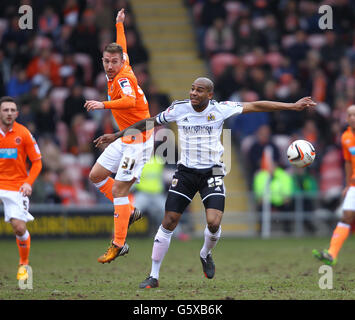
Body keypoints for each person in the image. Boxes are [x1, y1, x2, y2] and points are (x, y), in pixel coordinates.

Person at [94, 77, 316, 288]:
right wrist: (117, 135)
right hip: (185, 173)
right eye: (192, 88)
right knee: (169, 220)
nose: (193, 93)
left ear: (210, 94)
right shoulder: (179, 108)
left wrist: (292, 106)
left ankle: (205, 254)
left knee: (213, 222)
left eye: (199, 90)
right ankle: (153, 275)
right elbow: (149, 122)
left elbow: (256, 106)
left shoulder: (220, 109)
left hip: (212, 172)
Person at [84, 9, 153, 264]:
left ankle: (119, 244)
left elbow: (129, 100)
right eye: (106, 61)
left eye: (114, 62)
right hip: (125, 137)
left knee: (121, 190)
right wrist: (119, 25)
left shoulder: (123, 77)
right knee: (96, 176)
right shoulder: (121, 62)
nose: (110, 66)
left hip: (140, 138)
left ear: (121, 62)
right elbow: (121, 47)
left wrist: (102, 105)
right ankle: (130, 212)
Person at [0, 96, 42, 280]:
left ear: (17, 113)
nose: (9, 113)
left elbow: (37, 162)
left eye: (12, 110)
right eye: (5, 110)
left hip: (16, 186)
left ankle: (23, 264)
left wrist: (28, 182)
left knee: (18, 227)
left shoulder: (23, 133)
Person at [313, 105, 355, 265]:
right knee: (346, 217)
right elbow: (347, 162)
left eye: (354, 115)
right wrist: (347, 184)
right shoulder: (346, 137)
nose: (352, 118)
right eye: (349, 115)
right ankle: (332, 253)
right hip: (353, 184)